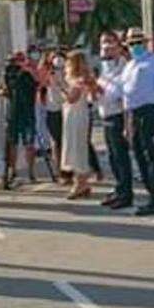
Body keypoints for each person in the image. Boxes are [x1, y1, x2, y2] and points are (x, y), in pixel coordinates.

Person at [119, 27, 154, 216]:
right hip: (134, 114)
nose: (135, 46)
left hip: (152, 112)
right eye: (132, 43)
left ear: (145, 43)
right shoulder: (129, 66)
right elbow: (127, 99)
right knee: (141, 158)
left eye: (138, 42)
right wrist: (127, 124)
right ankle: (152, 195)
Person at [95, 31, 133, 209]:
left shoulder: (124, 67)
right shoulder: (105, 67)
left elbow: (117, 94)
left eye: (110, 42)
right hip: (106, 115)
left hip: (118, 116)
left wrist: (98, 90)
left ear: (119, 46)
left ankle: (126, 193)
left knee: (120, 157)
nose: (106, 46)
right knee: (112, 157)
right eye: (103, 42)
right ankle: (119, 189)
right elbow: (97, 96)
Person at [0, 51, 39, 188]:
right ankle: (12, 171)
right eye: (12, 61)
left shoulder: (27, 74)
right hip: (12, 112)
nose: (14, 65)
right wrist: (3, 91)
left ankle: (31, 172)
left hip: (26, 112)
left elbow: (36, 87)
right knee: (12, 143)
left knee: (29, 143)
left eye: (17, 61)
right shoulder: (6, 75)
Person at [61, 50, 97, 199]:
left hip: (77, 114)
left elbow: (72, 98)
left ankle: (80, 182)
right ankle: (82, 183)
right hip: (74, 115)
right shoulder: (80, 78)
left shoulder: (80, 79)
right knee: (75, 146)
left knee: (77, 147)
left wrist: (60, 87)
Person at [42, 50, 67, 182]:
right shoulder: (47, 73)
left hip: (66, 109)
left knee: (65, 142)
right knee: (56, 142)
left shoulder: (68, 73)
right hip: (53, 109)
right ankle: (59, 171)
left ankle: (68, 170)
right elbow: (41, 83)